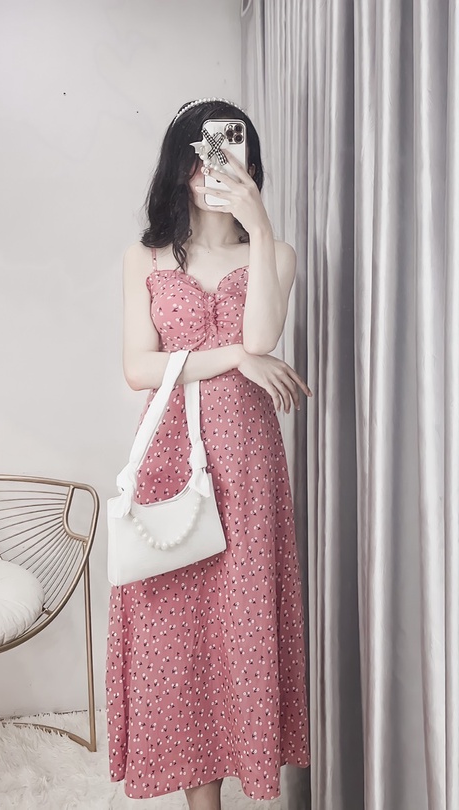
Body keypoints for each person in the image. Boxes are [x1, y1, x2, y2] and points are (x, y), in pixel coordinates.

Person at [106, 98, 312, 810]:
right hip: (170, 452)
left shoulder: (275, 254)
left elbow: (260, 339)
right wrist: (232, 359)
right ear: (179, 164)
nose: (211, 168)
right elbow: (138, 368)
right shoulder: (145, 257)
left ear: (250, 164)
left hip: (247, 459)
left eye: (228, 152)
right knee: (178, 632)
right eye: (200, 154)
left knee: (237, 624)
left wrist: (260, 225)